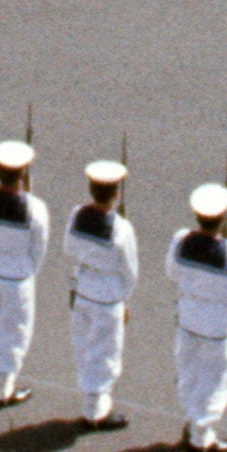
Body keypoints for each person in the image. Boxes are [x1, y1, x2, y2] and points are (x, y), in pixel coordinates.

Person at [168, 184, 227, 452]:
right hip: (217, 323)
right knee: (214, 379)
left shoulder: (181, 240)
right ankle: (202, 438)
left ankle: (194, 422)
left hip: (188, 316)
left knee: (190, 371)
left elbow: (172, 273)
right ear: (223, 218)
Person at [0, 139, 52, 400]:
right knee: (14, 332)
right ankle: (1, 390)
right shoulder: (35, 208)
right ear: (24, 174)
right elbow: (38, 248)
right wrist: (28, 271)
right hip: (18, 274)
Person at [63, 158, 141, 426]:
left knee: (84, 347)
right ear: (116, 194)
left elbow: (68, 249)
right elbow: (130, 271)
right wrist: (124, 298)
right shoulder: (121, 228)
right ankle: (96, 413)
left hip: (83, 288)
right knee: (104, 354)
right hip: (108, 295)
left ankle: (91, 403)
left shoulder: (77, 215)